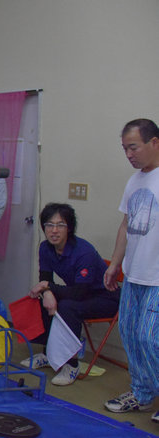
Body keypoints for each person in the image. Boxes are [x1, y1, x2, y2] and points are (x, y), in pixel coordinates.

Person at [24, 202, 119, 386]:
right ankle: (48, 353)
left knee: (67, 307)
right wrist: (47, 292)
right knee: (42, 300)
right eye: (49, 225)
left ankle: (71, 364)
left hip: (106, 298)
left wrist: (47, 287)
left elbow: (79, 293)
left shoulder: (84, 252)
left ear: (69, 228)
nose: (54, 230)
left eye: (60, 225)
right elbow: (45, 278)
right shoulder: (45, 248)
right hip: (80, 293)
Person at [103, 118, 159, 422]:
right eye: (124, 148)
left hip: (157, 278)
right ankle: (142, 394)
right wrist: (115, 264)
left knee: (150, 338)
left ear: (154, 142)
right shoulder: (134, 181)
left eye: (133, 147)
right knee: (130, 335)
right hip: (134, 273)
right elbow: (125, 225)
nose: (128, 154)